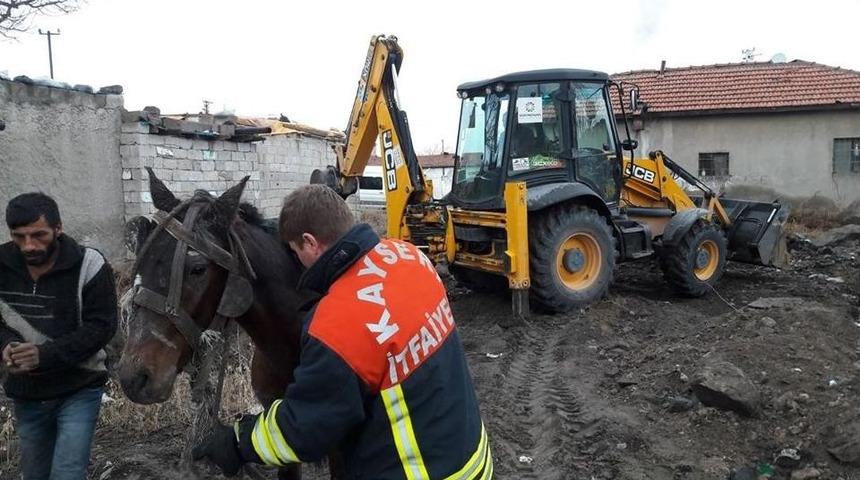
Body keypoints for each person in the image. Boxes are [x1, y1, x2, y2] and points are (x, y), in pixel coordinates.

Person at [194, 184, 492, 479]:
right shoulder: (409, 256)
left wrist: (237, 441)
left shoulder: (337, 325)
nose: (296, 259)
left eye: (295, 250)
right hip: (473, 459)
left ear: (310, 243)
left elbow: (305, 428)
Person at [0, 193, 117, 480]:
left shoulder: (89, 265)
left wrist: (44, 356)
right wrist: (5, 346)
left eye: (39, 235)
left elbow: (102, 327)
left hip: (79, 386)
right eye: (20, 236)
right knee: (35, 473)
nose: (29, 245)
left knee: (67, 472)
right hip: (27, 392)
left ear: (58, 229)